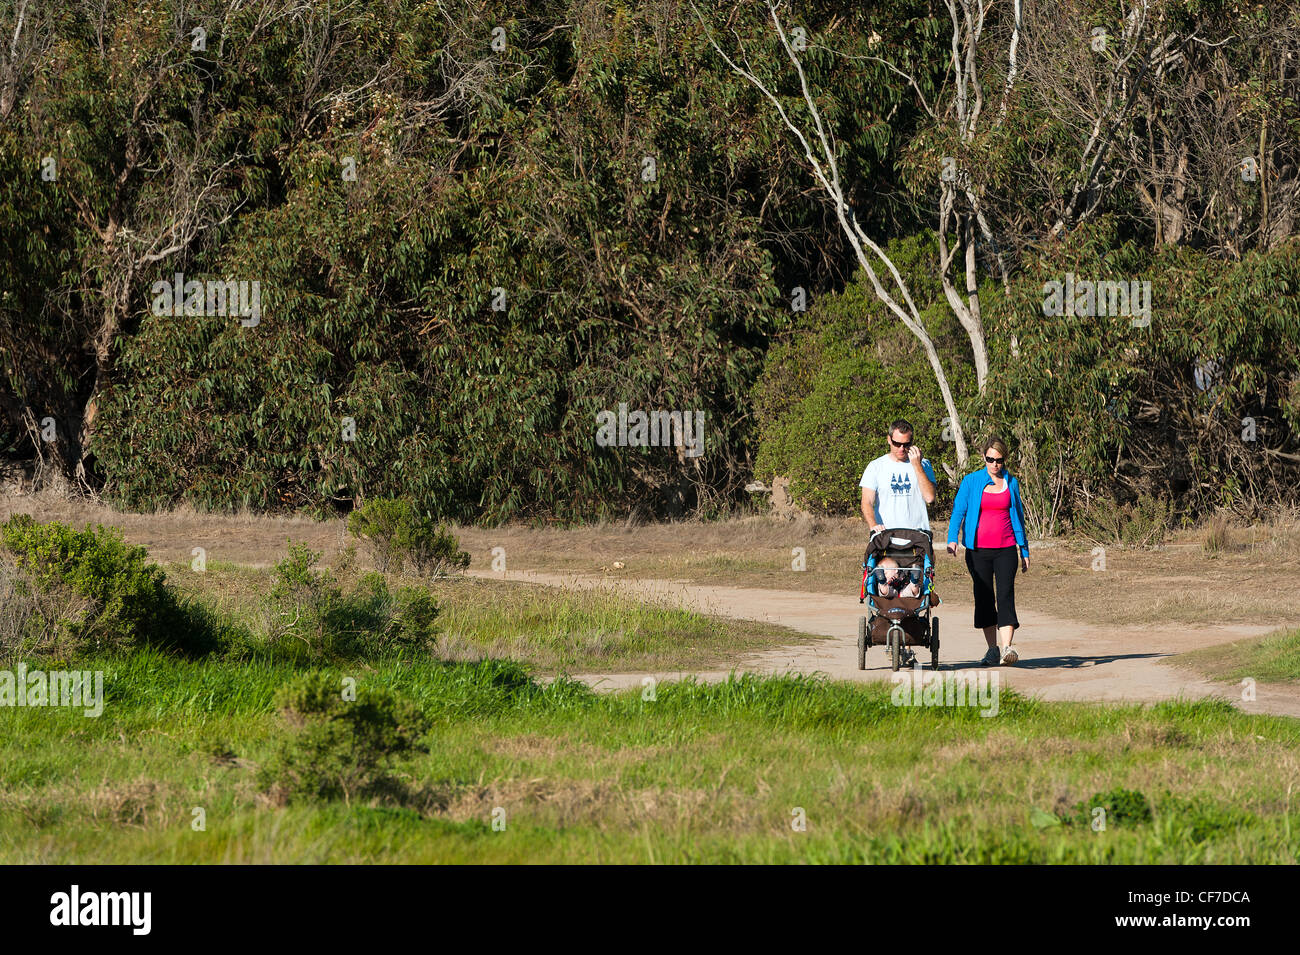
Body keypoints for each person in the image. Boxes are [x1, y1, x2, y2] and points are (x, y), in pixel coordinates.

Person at [946, 436, 1030, 666]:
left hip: (1005, 550)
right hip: (977, 551)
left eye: (999, 460)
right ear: (984, 457)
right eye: (990, 459)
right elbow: (958, 511)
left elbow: (1019, 518)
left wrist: (1024, 549)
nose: (995, 464)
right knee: (984, 599)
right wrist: (953, 539)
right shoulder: (971, 481)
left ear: (1004, 460)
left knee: (1005, 596)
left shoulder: (1011, 482)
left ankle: (1007, 649)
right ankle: (992, 649)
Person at [859, 419, 937, 536]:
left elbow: (930, 498)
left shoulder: (924, 464)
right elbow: (866, 502)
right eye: (897, 444)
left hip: (917, 537)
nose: (901, 448)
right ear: (889, 440)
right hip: (886, 536)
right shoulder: (875, 466)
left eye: (906, 444)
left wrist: (916, 465)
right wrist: (873, 525)